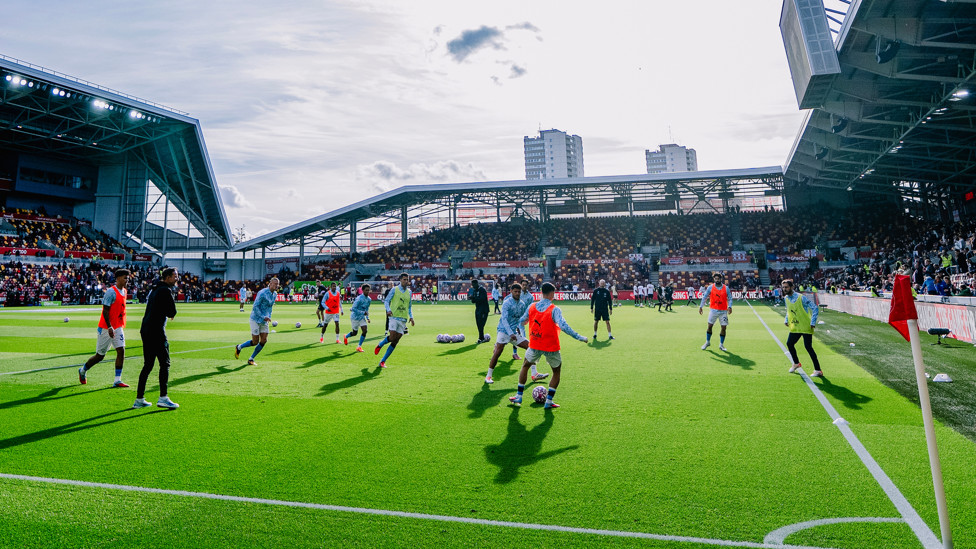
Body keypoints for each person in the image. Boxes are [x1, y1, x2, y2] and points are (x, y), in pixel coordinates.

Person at [508, 282, 588, 410]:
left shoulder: (532, 307)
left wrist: (519, 330)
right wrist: (579, 337)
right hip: (550, 346)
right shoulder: (554, 309)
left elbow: (522, 321)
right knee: (556, 372)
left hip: (534, 344)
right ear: (551, 293)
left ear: (541, 293)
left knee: (525, 366)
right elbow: (564, 326)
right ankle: (549, 401)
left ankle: (519, 396)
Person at [134, 268, 180, 409]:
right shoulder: (165, 290)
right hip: (156, 331)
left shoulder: (154, 289)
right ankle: (163, 398)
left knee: (148, 365)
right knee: (165, 363)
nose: (177, 279)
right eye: (174, 276)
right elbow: (172, 311)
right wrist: (170, 312)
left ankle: (139, 399)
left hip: (146, 329)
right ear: (166, 277)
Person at [78, 269, 130, 388]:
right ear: (118, 279)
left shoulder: (125, 291)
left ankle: (117, 380)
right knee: (100, 356)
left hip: (117, 327)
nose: (127, 280)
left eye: (128, 278)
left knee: (121, 351)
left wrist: (117, 326)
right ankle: (83, 370)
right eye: (125, 278)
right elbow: (105, 311)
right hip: (106, 328)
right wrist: (110, 327)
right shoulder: (111, 292)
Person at [485, 283, 546, 384]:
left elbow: (520, 319)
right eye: (515, 291)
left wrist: (519, 328)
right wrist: (510, 333)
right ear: (511, 292)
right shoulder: (507, 303)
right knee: (497, 353)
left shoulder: (521, 304)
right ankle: (488, 376)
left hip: (514, 332)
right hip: (503, 331)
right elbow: (504, 319)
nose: (517, 293)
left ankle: (534, 374)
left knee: (531, 347)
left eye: (519, 292)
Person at [782, 279, 823, 377]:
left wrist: (813, 322)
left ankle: (818, 370)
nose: (784, 289)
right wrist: (786, 319)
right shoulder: (786, 298)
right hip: (795, 326)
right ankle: (796, 363)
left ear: (792, 287)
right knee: (789, 343)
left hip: (805, 326)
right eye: (783, 287)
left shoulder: (801, 298)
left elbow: (814, 308)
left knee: (808, 347)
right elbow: (789, 310)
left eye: (786, 287)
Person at [235, 277, 280, 365]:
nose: (276, 286)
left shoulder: (275, 294)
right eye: (275, 284)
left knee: (264, 340)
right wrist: (263, 316)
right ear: (270, 283)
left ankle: (251, 359)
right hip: (255, 318)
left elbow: (270, 308)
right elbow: (255, 307)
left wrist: (268, 317)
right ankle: (239, 347)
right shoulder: (262, 293)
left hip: (264, 320)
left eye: (277, 284)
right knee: (255, 341)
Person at [375, 273, 414, 368]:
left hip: (403, 319)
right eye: (404, 279)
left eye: (407, 279)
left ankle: (382, 361)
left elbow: (409, 306)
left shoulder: (409, 292)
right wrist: (388, 310)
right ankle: (380, 345)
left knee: (395, 341)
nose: (406, 281)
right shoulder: (394, 289)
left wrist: (411, 317)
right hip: (393, 317)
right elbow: (386, 301)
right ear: (400, 280)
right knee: (392, 337)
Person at [699, 273, 732, 351]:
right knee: (710, 326)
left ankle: (721, 345)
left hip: (723, 311)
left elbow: (730, 298)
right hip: (713, 310)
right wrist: (701, 307)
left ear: (721, 279)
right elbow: (704, 297)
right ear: (714, 279)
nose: (717, 280)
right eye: (715, 279)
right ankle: (707, 342)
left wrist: (730, 306)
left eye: (718, 278)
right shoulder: (710, 287)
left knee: (724, 328)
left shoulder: (726, 288)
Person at [343, 283, 372, 352]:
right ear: (362, 290)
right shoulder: (359, 299)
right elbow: (353, 308)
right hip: (355, 317)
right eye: (366, 290)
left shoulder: (369, 299)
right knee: (354, 333)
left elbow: (367, 309)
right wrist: (363, 312)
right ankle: (346, 336)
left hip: (361, 318)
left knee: (365, 330)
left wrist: (367, 317)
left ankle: (359, 346)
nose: (367, 292)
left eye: (368, 290)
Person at [468, 279, 490, 343]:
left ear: (477, 283)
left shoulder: (482, 290)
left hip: (484, 309)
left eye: (473, 284)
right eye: (472, 285)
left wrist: (474, 298)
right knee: (478, 324)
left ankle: (481, 338)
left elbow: (483, 299)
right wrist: (472, 298)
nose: (473, 286)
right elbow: (474, 301)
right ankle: (481, 338)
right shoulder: (475, 290)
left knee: (481, 324)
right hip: (478, 309)